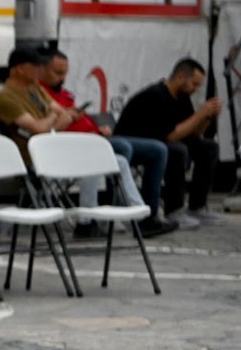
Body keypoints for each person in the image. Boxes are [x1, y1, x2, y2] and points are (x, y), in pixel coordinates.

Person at [39, 50, 175, 237]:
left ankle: (148, 214)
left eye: (65, 73)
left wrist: (97, 128)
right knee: (121, 149)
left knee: (158, 149)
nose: (62, 78)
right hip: (74, 145)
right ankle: (115, 211)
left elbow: (77, 119)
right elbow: (49, 129)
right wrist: (67, 119)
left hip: (95, 138)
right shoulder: (40, 95)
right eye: (57, 72)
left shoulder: (64, 94)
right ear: (41, 69)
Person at [114, 58, 225, 229]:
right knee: (176, 151)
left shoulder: (182, 97)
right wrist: (200, 114)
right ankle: (174, 208)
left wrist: (207, 117)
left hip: (161, 143)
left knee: (208, 147)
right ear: (181, 77)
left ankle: (198, 205)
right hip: (136, 143)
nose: (196, 89)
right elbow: (171, 136)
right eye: (194, 84)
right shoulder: (155, 96)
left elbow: (196, 133)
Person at [0, 47, 80, 162]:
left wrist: (53, 121)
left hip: (50, 148)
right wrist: (54, 121)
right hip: (33, 157)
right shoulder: (6, 98)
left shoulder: (34, 88)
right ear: (20, 69)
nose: (40, 69)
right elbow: (38, 129)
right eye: (35, 66)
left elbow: (61, 111)